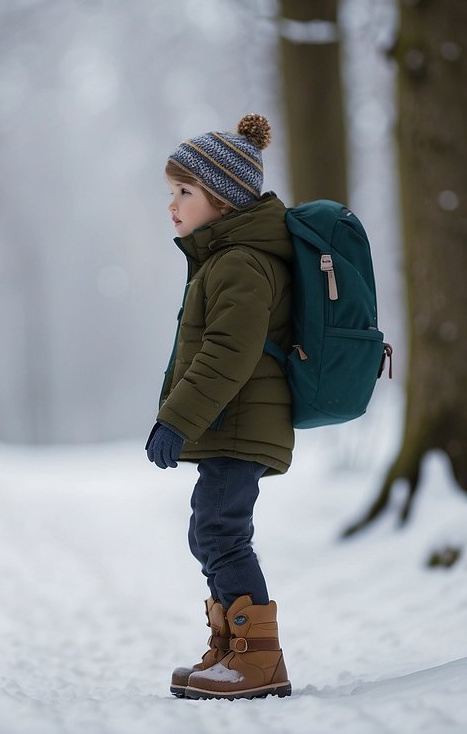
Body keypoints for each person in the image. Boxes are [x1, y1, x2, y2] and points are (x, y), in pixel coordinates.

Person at [146, 113, 294, 701]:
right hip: (234, 421)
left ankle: (258, 660)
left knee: (220, 530)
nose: (173, 205)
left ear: (225, 200)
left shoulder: (238, 263)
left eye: (185, 192)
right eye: (171, 192)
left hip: (240, 422)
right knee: (213, 529)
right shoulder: (224, 259)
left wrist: (176, 420)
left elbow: (228, 355)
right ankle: (232, 650)